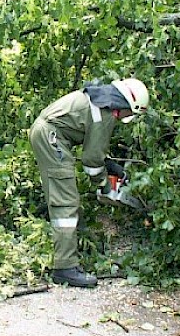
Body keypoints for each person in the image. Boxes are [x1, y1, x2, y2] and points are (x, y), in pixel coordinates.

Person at [28, 78, 149, 288]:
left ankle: (71, 253)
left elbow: (93, 144)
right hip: (52, 138)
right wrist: (106, 187)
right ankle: (64, 268)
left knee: (67, 197)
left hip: (49, 134)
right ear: (127, 105)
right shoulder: (106, 114)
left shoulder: (100, 101)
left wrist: (110, 165)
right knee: (65, 202)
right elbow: (91, 162)